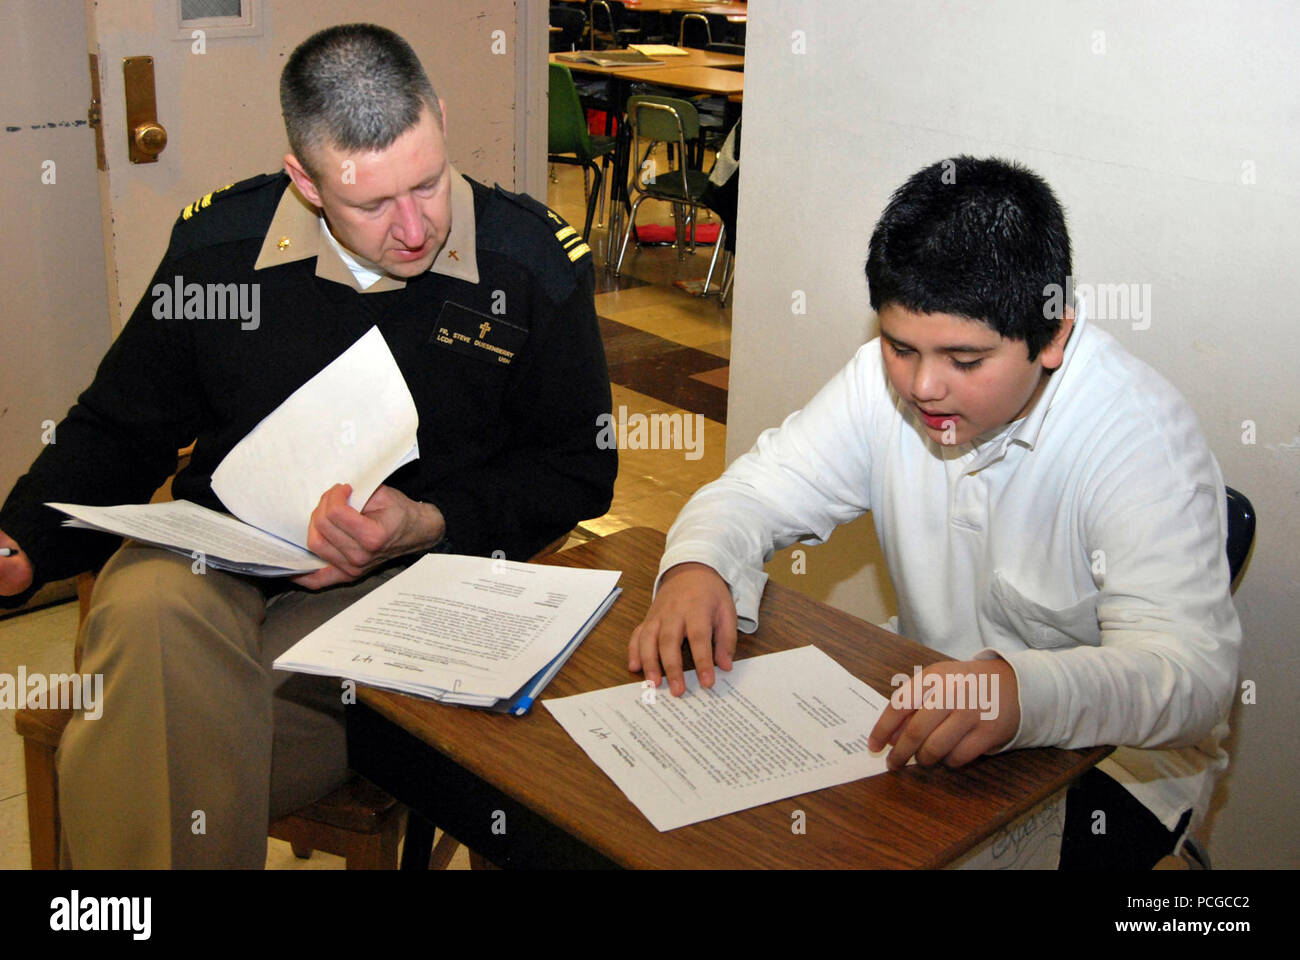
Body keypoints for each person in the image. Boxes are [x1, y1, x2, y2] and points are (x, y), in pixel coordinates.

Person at [0, 23, 615, 868]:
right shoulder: (222, 251)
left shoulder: (529, 264)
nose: (413, 228)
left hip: (405, 585)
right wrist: (23, 541)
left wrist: (428, 521)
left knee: (151, 721)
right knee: (145, 610)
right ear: (306, 179)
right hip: (217, 555)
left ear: (438, 118)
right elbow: (122, 424)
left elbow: (578, 471)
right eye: (371, 203)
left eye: (429, 184)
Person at [628, 156, 1240, 869]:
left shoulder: (1138, 440)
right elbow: (756, 491)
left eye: (966, 360)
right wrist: (699, 563)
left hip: (1115, 765)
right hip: (929, 710)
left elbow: (1192, 678)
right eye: (899, 347)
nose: (923, 386)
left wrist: (1020, 691)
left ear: (1053, 337)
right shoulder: (882, 386)